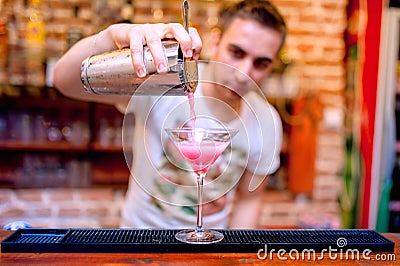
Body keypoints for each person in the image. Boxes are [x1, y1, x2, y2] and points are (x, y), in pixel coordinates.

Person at [52, 0, 287, 229]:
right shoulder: (164, 82)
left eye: (261, 63)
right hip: (140, 238)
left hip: (210, 245)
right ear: (216, 41)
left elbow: (249, 200)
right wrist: (110, 36)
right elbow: (63, 81)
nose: (243, 73)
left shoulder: (267, 120)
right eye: (236, 52)